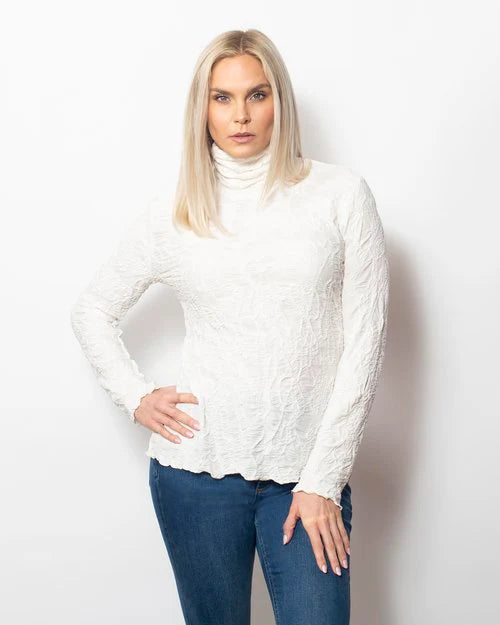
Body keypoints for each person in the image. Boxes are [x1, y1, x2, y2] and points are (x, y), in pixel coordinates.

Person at [70, 28, 389, 625]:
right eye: (222, 97)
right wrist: (136, 396)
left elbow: (365, 345)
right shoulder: (175, 210)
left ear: (279, 101)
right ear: (203, 108)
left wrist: (323, 479)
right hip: (196, 474)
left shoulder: (341, 196)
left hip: (308, 475)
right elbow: (92, 309)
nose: (240, 115)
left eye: (257, 94)